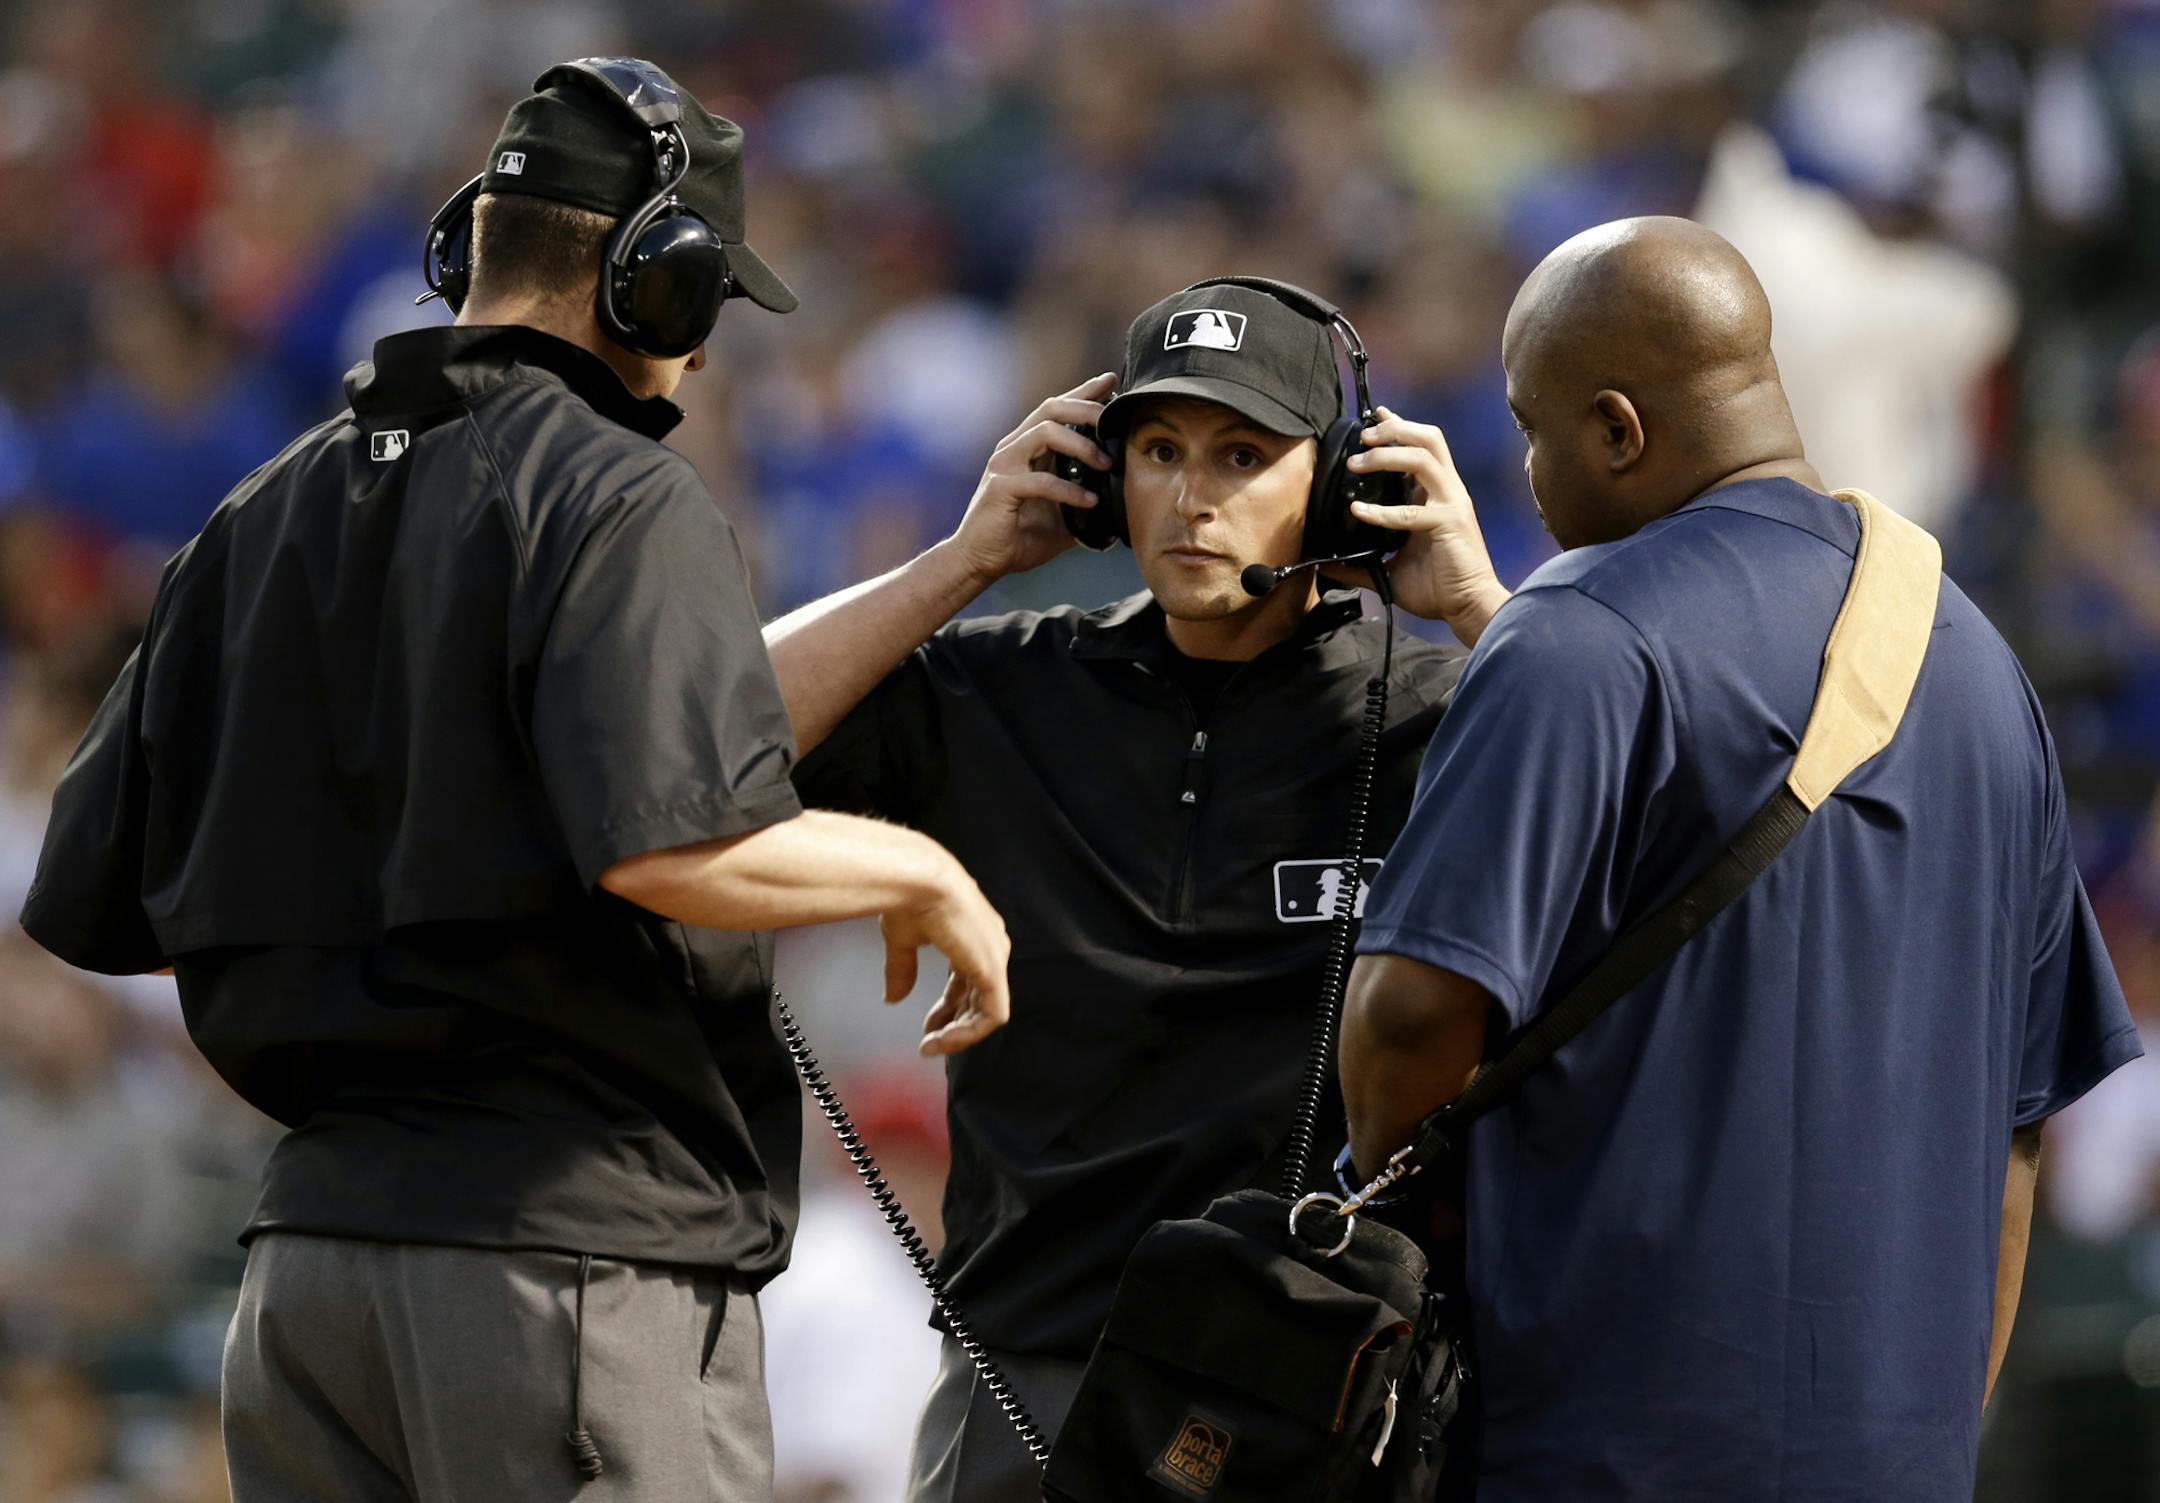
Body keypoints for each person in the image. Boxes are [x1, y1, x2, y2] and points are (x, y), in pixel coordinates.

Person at [18, 58, 1011, 1503]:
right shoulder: (619, 486)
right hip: (565, 1269)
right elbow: (671, 839)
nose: (703, 350)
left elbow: (95, 892)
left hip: (305, 1278)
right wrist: (925, 868)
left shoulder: (261, 509)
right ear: (649, 282)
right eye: (706, 303)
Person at [1340, 216, 2144, 1501]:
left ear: (1617, 429)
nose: (1526, 472)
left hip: (1597, 1453)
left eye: (1533, 429)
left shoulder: (1574, 631)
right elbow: (2015, 1140)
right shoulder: (1979, 663)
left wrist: (1419, 1259)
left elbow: (1407, 1022)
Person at [766, 278, 1509, 1501]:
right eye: (1158, 451)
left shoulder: (1447, 713)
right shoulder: (1001, 686)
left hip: (1311, 1392)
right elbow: (685, 743)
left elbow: (1665, 851)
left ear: (1339, 484)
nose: (1194, 495)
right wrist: (962, 563)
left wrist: (1484, 611)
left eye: (1243, 454)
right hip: (1026, 1378)